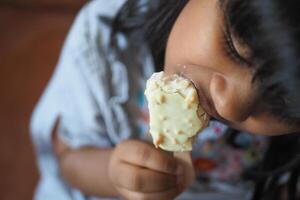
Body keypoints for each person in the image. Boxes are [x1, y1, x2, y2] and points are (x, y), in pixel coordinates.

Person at [30, 0, 300, 199]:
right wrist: (115, 175)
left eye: (282, 103)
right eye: (233, 47)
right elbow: (67, 160)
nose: (229, 106)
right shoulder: (105, 51)